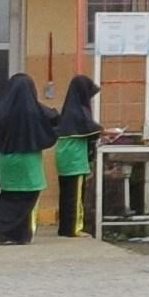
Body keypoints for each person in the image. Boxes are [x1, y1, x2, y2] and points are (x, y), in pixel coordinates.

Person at [0, 65, 55, 244]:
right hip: (29, 161)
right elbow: (55, 120)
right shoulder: (36, 111)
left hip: (7, 160)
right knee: (28, 198)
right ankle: (17, 234)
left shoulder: (2, 112)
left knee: (8, 197)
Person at [49, 72, 103, 239]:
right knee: (75, 195)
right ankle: (74, 228)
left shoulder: (67, 110)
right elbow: (91, 129)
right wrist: (107, 132)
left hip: (63, 156)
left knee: (66, 195)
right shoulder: (80, 112)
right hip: (75, 159)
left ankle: (64, 228)